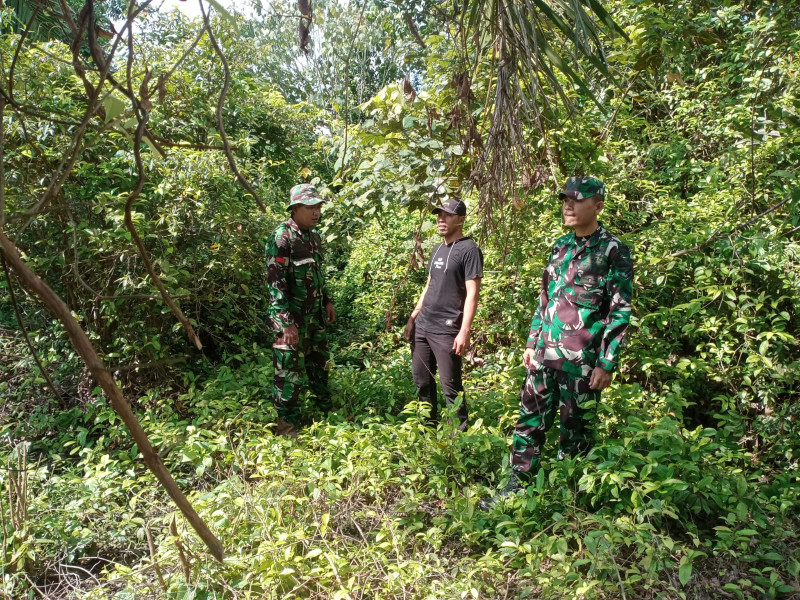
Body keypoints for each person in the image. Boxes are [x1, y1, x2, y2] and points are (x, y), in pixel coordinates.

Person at [480, 176, 633, 509]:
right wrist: (532, 342)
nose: (568, 204)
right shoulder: (560, 246)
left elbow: (620, 309)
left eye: (577, 199)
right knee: (528, 424)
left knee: (574, 436)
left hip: (582, 362)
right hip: (543, 356)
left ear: (598, 205)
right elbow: (545, 299)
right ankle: (515, 491)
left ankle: (568, 504)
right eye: (565, 198)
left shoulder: (612, 249)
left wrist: (607, 362)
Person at [404, 198, 483, 430]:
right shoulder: (438, 248)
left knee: (451, 387)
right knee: (422, 382)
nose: (441, 219)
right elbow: (429, 284)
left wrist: (464, 331)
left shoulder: (470, 250)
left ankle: (458, 438)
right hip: (423, 326)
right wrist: (413, 317)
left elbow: (473, 294)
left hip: (447, 330)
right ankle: (428, 430)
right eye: (439, 215)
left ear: (461, 219)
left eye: (447, 215)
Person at [265, 183, 336, 437]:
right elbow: (275, 283)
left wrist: (326, 301)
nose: (316, 212)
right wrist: (285, 323)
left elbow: (317, 275)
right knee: (288, 374)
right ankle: (287, 426)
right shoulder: (282, 238)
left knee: (320, 365)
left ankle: (325, 413)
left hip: (314, 317)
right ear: (295, 209)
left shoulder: (313, 237)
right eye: (310, 207)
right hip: (291, 320)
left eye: (318, 207)